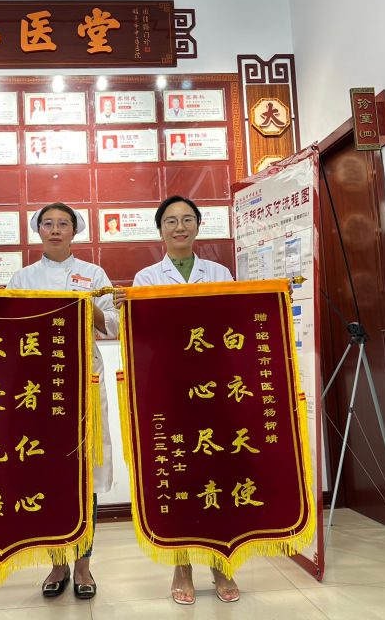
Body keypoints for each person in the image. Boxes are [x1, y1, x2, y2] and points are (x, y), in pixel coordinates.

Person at [7, 202, 123, 601]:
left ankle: (83, 565)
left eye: (63, 224)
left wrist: (87, 307)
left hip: (83, 379)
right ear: (38, 230)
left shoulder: (94, 274)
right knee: (49, 472)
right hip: (37, 386)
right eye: (48, 223)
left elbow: (112, 323)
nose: (55, 229)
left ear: (75, 231)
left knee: (85, 472)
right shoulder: (22, 278)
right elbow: (11, 329)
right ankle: (57, 562)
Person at [132, 195, 237, 606]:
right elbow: (144, 334)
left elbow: (229, 322)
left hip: (214, 385)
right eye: (171, 221)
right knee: (178, 470)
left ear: (198, 226)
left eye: (187, 219)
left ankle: (220, 561)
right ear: (160, 229)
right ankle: (182, 564)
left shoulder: (220, 273)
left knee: (217, 467)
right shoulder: (146, 277)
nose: (180, 227)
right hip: (169, 386)